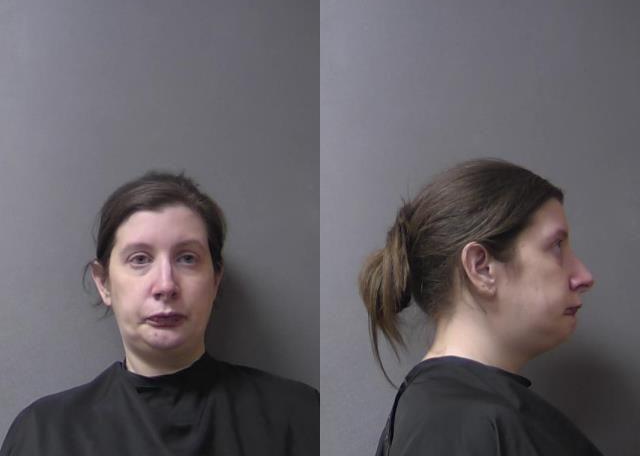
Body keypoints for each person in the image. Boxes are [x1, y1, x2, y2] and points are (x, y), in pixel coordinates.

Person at [0, 172, 319, 456]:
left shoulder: (297, 417)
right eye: (140, 259)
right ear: (104, 283)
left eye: (187, 258)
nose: (166, 285)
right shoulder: (43, 434)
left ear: (215, 280)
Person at [359, 159, 603, 456]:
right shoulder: (454, 425)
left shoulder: (455, 416)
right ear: (482, 267)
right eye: (556, 246)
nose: (584, 277)